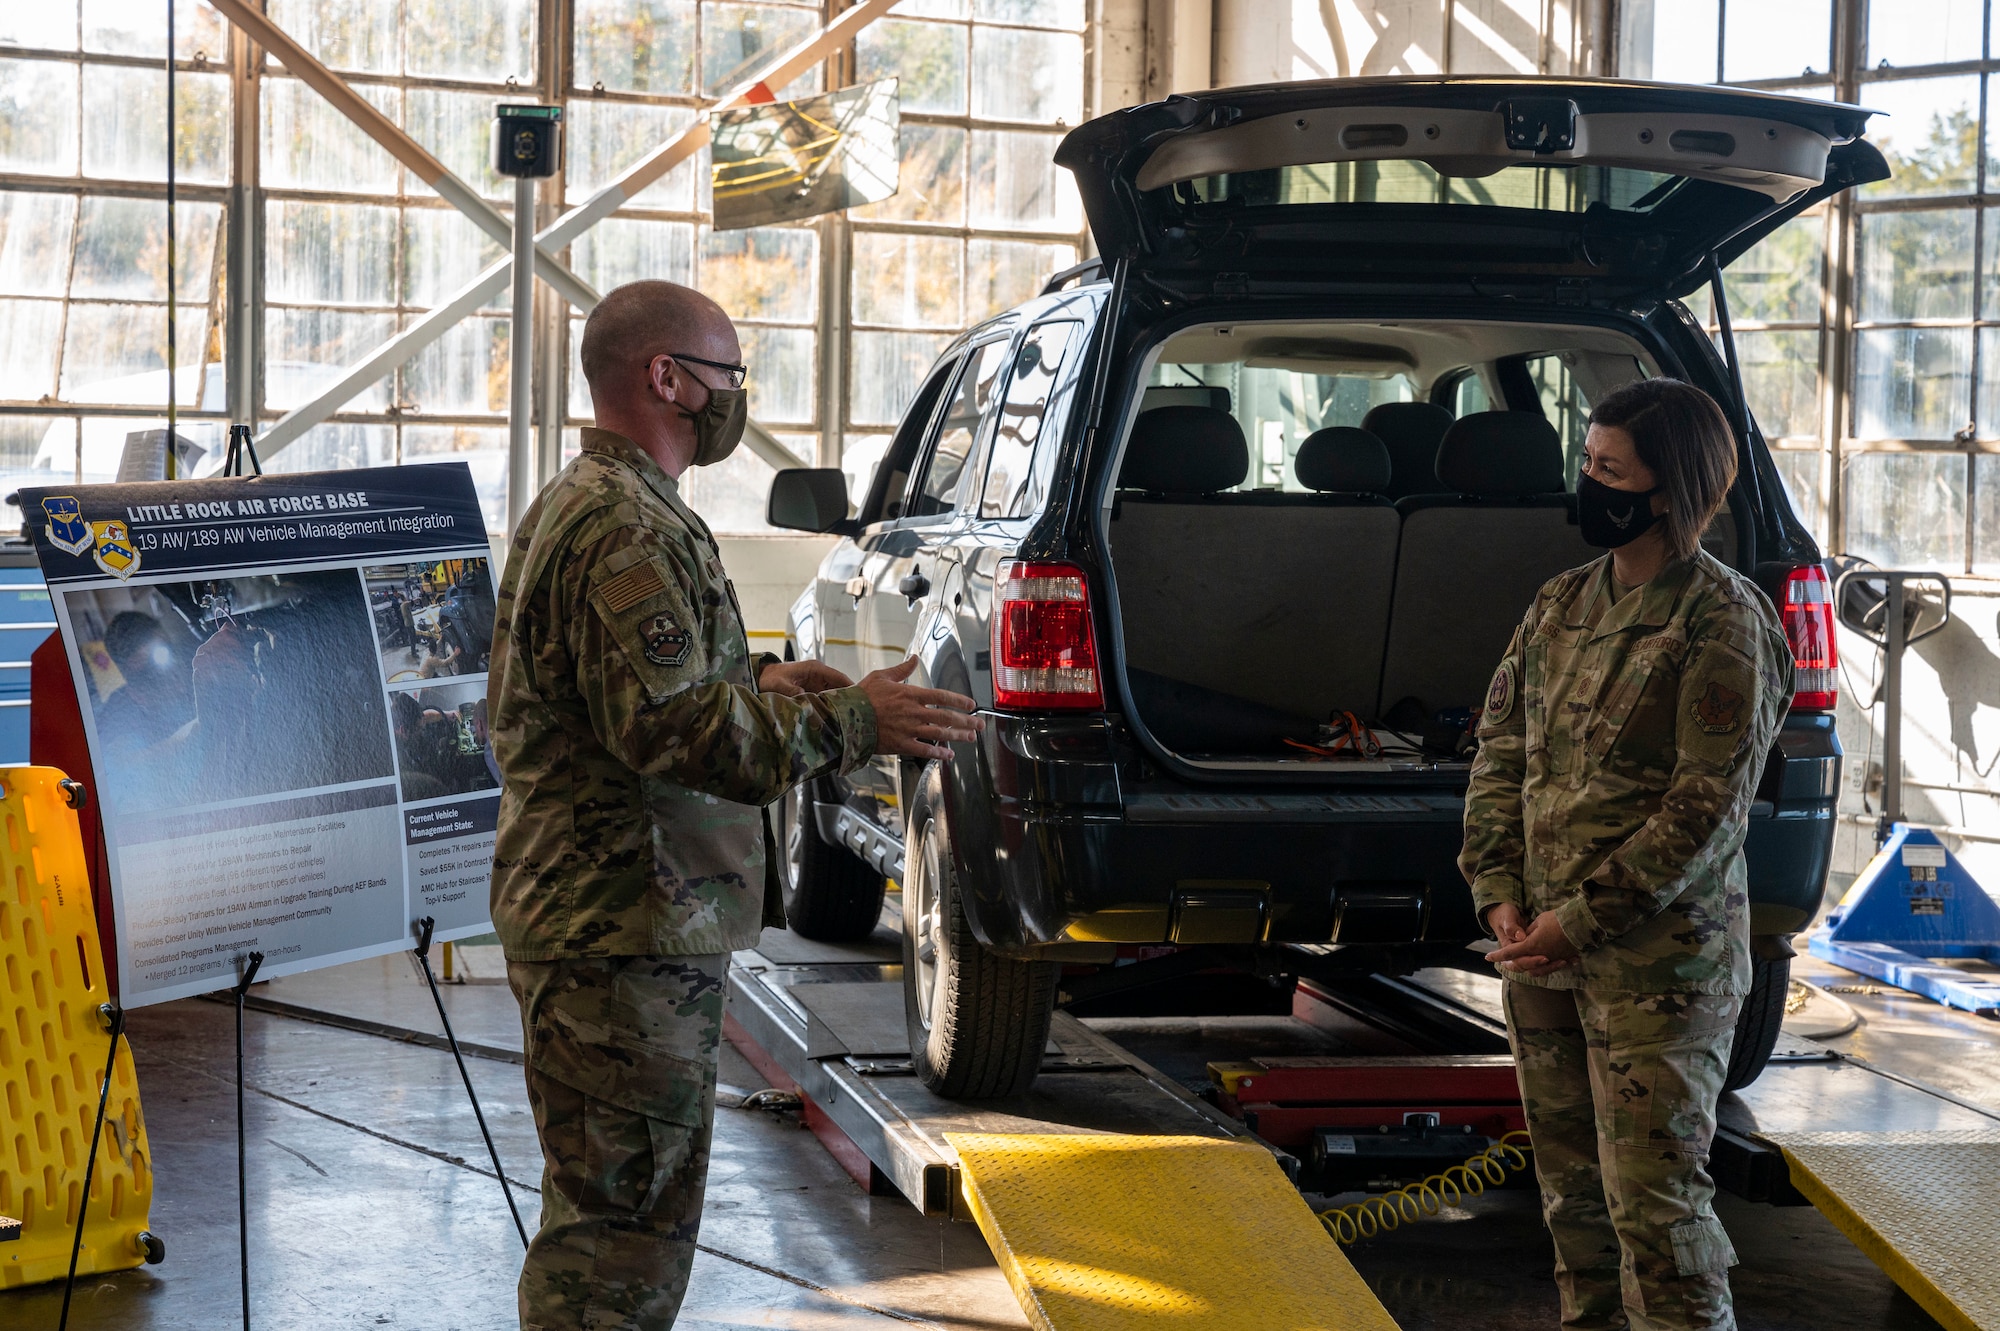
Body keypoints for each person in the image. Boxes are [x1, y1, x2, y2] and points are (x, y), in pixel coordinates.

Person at [488, 278, 982, 1331]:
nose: (734, 397)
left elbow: (639, 690)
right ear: (663, 377)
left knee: (622, 1205)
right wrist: (859, 723)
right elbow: (674, 731)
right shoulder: (623, 524)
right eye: (725, 376)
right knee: (619, 1226)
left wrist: (764, 681)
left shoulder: (610, 503)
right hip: (619, 923)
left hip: (624, 916)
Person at [1459, 377, 1794, 1331]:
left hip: (1660, 971)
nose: (1589, 485)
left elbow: (1704, 808)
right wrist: (1499, 894)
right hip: (1541, 957)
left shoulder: (1720, 620)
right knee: (1572, 1208)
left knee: (1659, 1217)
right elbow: (1501, 753)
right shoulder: (1561, 603)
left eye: (1611, 470)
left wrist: (1581, 919)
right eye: (1587, 462)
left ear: (1672, 489)